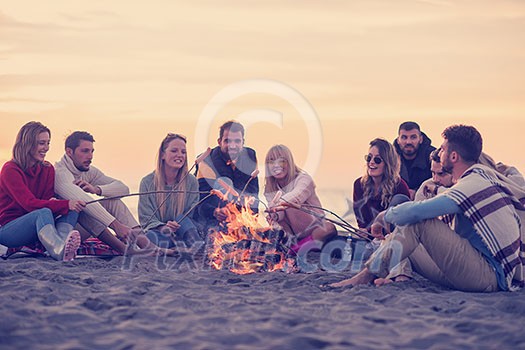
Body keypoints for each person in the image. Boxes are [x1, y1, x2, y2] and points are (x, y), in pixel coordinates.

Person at [330, 124, 525, 292]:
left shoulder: (474, 183)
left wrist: (384, 215)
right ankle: (391, 274)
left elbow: (417, 212)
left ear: (454, 156)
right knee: (401, 234)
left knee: (419, 222)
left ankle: (366, 275)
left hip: (488, 276)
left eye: (442, 149)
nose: (439, 153)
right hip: (466, 269)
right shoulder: (473, 179)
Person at [54, 131, 161, 255]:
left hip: (81, 231)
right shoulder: (60, 173)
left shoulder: (87, 171)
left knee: (112, 201)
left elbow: (123, 189)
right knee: (84, 208)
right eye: (85, 151)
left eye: (92, 151)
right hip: (64, 233)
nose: (90, 156)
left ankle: (147, 246)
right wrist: (117, 226)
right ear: (69, 152)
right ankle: (124, 249)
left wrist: (97, 189)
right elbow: (85, 200)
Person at [0, 121, 85, 261]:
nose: (46, 148)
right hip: (10, 229)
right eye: (41, 143)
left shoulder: (47, 169)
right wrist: (64, 204)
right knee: (45, 211)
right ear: (27, 144)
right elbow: (28, 203)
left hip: (39, 227)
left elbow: (46, 201)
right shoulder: (10, 169)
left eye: (48, 143)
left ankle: (63, 246)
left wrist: (65, 204)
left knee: (72, 209)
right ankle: (58, 250)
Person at [264, 145, 336, 255]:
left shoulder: (304, 179)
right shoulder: (270, 188)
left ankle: (296, 250)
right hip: (292, 234)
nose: (276, 166)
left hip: (314, 229)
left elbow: (297, 196)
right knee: (274, 222)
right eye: (271, 162)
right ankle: (293, 246)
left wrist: (276, 204)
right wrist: (274, 215)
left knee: (328, 227)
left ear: (289, 162)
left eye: (282, 161)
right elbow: (280, 214)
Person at [138, 133, 201, 249]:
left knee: (181, 219)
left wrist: (178, 223)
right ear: (163, 155)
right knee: (150, 237)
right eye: (174, 151)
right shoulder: (147, 182)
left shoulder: (191, 182)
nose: (179, 155)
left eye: (183, 152)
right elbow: (146, 218)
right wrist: (163, 227)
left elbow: (192, 213)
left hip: (185, 231)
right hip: (161, 234)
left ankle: (197, 247)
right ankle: (178, 247)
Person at [196, 121, 259, 230]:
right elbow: (201, 198)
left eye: (237, 141)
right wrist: (214, 211)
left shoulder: (250, 158)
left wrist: (250, 217)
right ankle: (218, 232)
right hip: (212, 216)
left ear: (243, 142)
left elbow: (253, 192)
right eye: (227, 141)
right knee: (225, 182)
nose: (232, 145)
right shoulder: (206, 161)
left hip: (239, 215)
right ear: (219, 142)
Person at [353, 138, 410, 232]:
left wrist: (369, 231)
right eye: (369, 158)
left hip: (390, 237)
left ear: (388, 163)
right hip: (367, 238)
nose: (371, 162)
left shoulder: (399, 186)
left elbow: (400, 223)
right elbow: (361, 220)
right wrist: (364, 232)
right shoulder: (359, 184)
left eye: (377, 159)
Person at [393, 121, 436, 199]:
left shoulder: (433, 156)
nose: (408, 142)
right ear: (398, 140)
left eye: (413, 137)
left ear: (421, 139)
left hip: (426, 199)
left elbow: (442, 181)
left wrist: (418, 192)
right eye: (404, 137)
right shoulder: (390, 157)